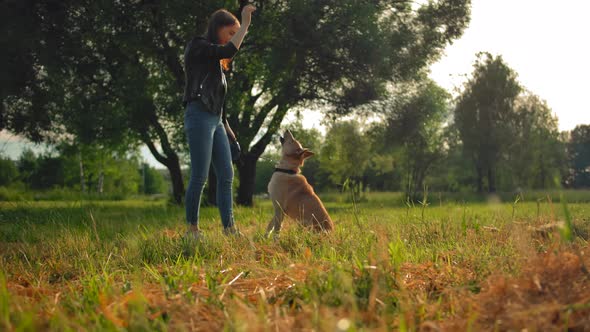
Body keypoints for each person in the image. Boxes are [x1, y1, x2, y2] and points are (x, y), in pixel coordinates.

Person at [182, 5, 256, 239]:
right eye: (231, 32)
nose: (234, 38)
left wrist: (231, 135)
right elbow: (228, 50)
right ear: (217, 29)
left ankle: (229, 229)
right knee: (200, 176)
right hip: (198, 115)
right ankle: (192, 230)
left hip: (216, 122)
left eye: (237, 33)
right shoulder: (198, 46)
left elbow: (219, 107)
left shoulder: (218, 68)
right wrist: (245, 24)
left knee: (226, 175)